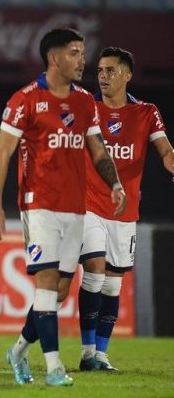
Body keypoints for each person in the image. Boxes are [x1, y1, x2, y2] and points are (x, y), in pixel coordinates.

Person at [0, 28, 127, 387]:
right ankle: (53, 368)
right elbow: (2, 152)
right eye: (76, 53)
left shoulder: (83, 102)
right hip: (39, 205)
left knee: (60, 292)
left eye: (82, 53)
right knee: (46, 284)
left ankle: (18, 350)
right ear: (54, 58)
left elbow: (96, 149)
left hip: (75, 208)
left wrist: (114, 182)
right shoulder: (25, 100)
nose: (84, 60)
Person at [78, 47, 174, 371]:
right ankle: (87, 351)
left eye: (110, 71)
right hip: (89, 204)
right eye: (100, 71)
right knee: (93, 268)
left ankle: (102, 355)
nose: (103, 76)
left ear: (127, 75)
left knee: (113, 284)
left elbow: (165, 150)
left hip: (125, 212)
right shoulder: (86, 107)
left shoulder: (147, 112)